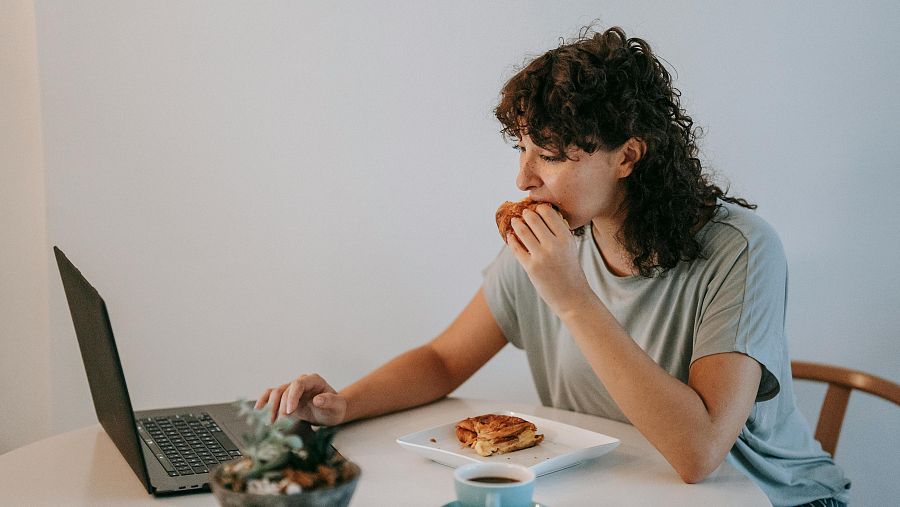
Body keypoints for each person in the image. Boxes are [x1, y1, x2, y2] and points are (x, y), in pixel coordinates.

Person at [257, 26, 850, 507]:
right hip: (616, 488)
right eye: (521, 148)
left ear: (628, 156)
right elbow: (442, 361)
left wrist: (570, 296)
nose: (523, 178)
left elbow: (699, 455)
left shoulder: (739, 249)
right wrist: (344, 404)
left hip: (772, 499)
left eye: (550, 154)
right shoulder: (554, 237)